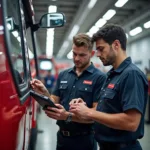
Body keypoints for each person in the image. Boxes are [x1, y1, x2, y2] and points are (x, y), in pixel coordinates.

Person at [70, 24, 148, 150]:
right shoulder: (112, 75)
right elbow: (108, 110)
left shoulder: (131, 74)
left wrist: (89, 113)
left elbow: (132, 122)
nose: (98, 54)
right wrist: (83, 108)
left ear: (116, 45)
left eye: (101, 49)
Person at [30, 33, 106, 150]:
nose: (76, 58)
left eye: (82, 55)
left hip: (84, 141)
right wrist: (44, 92)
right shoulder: (63, 75)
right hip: (62, 139)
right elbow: (54, 102)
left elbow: (97, 115)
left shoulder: (99, 78)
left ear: (91, 54)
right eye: (74, 54)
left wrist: (67, 116)